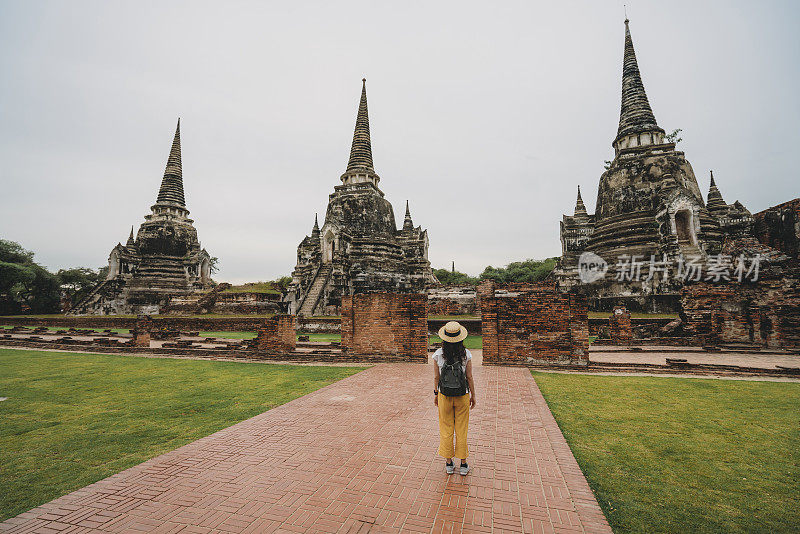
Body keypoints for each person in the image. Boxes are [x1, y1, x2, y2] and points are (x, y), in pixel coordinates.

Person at [432, 321, 476, 475]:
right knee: (461, 429)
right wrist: (473, 396)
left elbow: (436, 378)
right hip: (462, 394)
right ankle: (463, 465)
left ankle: (449, 463)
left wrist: (436, 394)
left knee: (446, 428)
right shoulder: (466, 354)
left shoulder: (438, 354)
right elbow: (469, 377)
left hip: (444, 395)